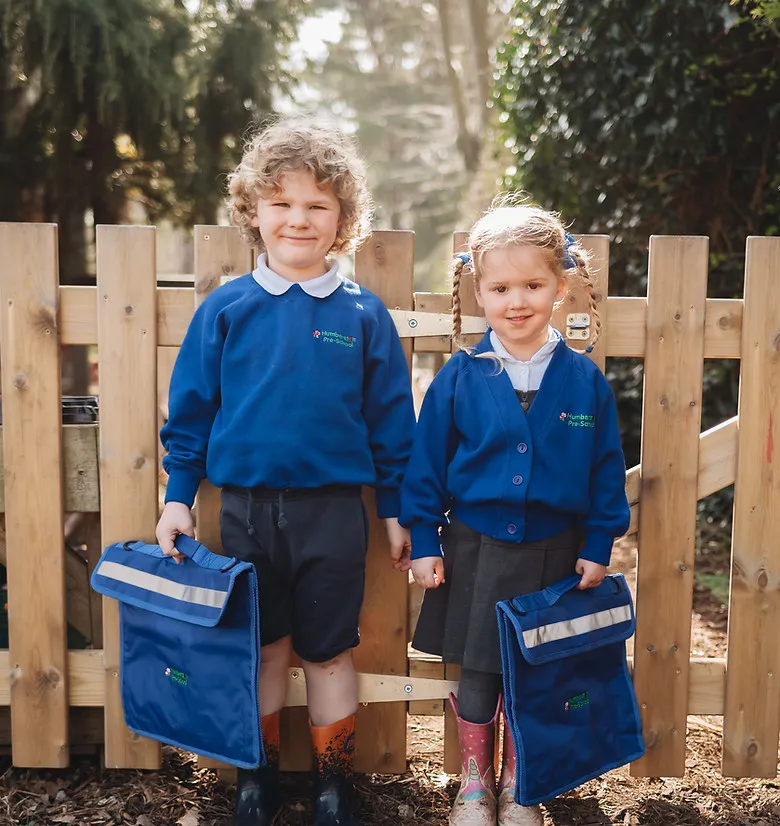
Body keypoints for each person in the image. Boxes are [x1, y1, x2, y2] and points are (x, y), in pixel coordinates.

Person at [156, 118, 415, 826]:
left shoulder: (362, 316)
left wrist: (397, 510)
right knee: (263, 649)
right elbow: (191, 416)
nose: (298, 218)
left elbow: (394, 425)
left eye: (317, 206)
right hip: (242, 511)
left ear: (343, 221)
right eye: (282, 203)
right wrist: (179, 498)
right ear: (253, 212)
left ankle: (333, 788)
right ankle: (256, 781)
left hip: (333, 514)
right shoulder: (227, 309)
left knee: (329, 652)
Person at [399, 201, 630, 826]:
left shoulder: (584, 383)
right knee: (477, 673)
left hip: (557, 554)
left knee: (537, 678)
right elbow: (424, 468)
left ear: (561, 286)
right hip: (475, 551)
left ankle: (519, 784)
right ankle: (474, 784)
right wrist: (424, 539)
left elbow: (606, 471)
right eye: (501, 287)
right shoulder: (459, 378)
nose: (518, 300)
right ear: (480, 291)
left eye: (534, 284)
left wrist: (600, 542)